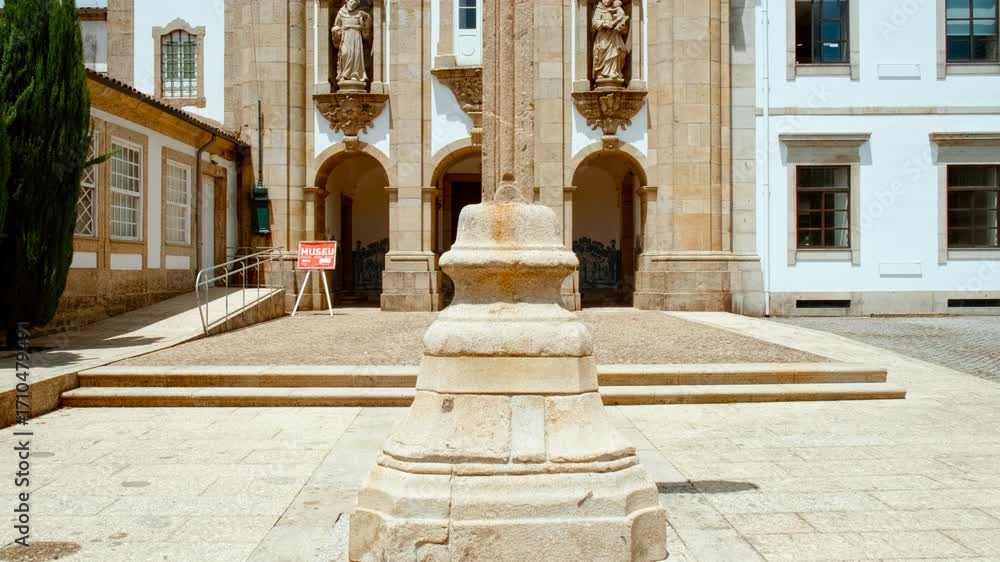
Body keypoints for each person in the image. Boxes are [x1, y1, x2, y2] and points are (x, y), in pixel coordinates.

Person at [332, 0, 372, 87]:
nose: (352, 5)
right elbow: (337, 25)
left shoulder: (359, 13)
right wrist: (336, 31)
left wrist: (366, 16)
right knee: (345, 53)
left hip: (356, 37)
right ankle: (344, 75)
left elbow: (367, 25)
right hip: (345, 36)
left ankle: (355, 75)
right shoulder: (341, 12)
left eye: (355, 4)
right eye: (351, 2)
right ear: (346, 2)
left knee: (356, 55)